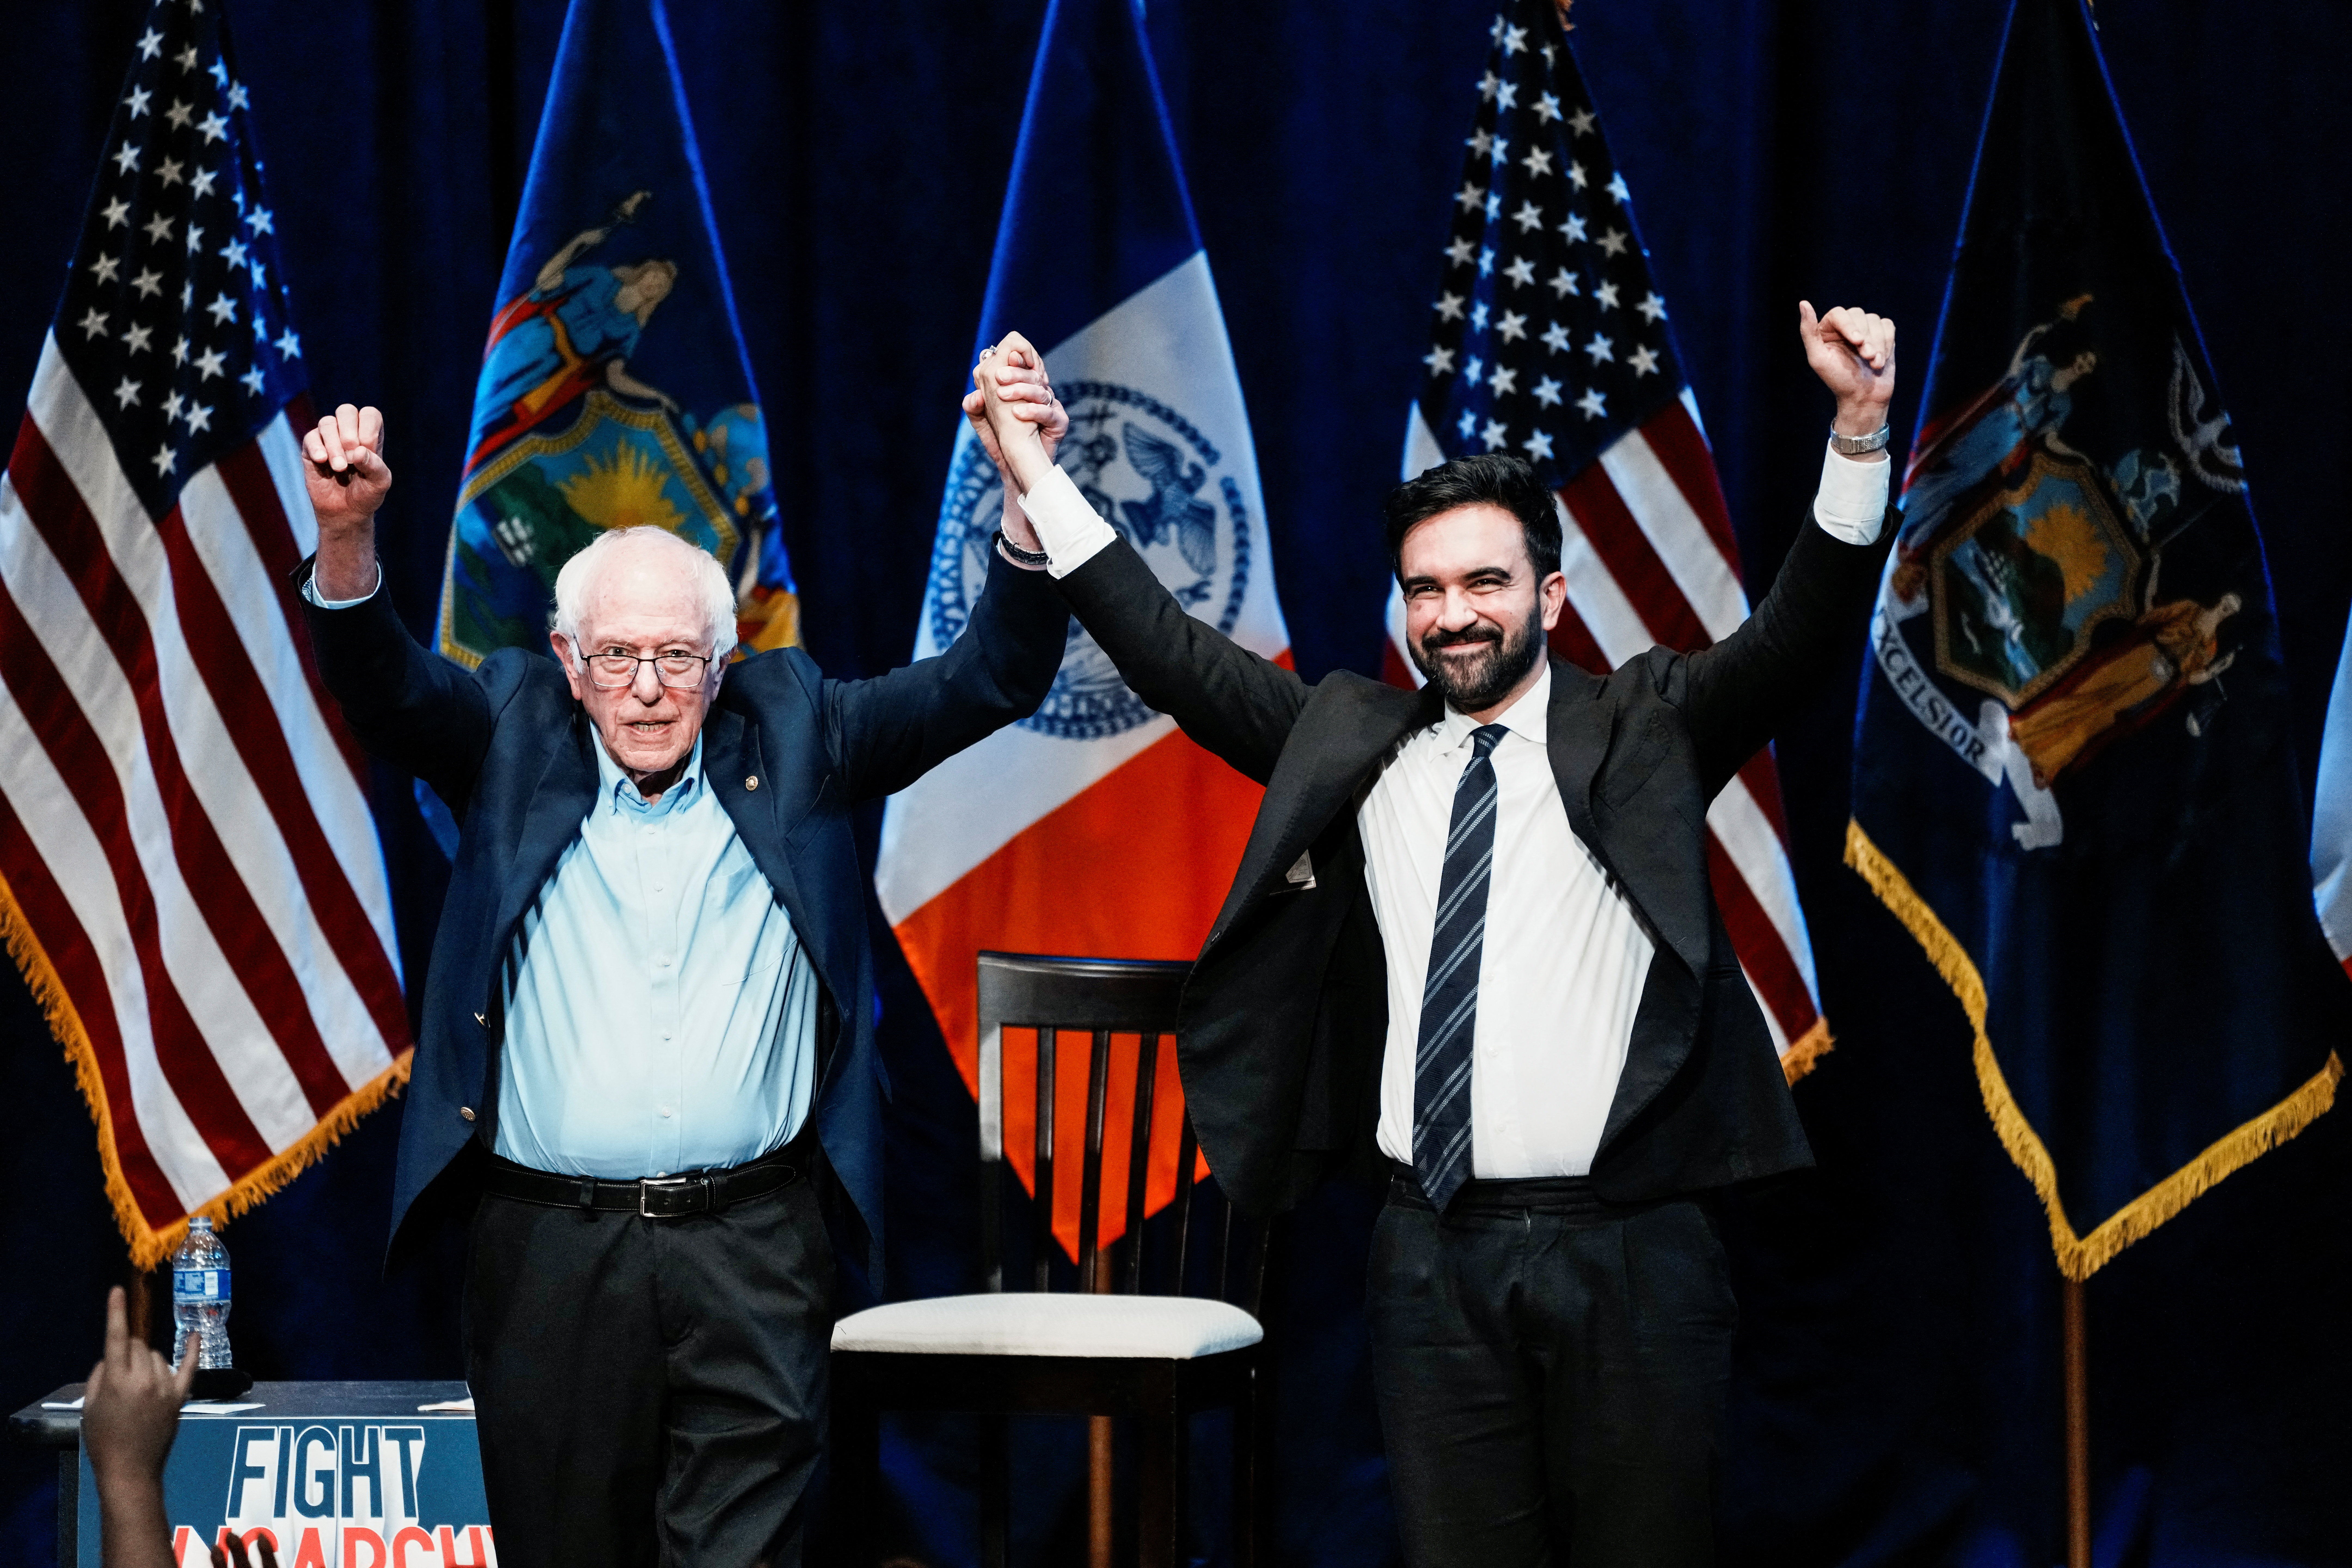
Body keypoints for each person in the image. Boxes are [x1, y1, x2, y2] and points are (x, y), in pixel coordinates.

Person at [964, 304, 1900, 1566]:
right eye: (1425, 591)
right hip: (1427, 1257)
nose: (1452, 616)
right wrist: (1036, 474)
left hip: (1631, 1254)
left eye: (1483, 585)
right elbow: (1172, 652)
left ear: (1551, 596)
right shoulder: (1357, 744)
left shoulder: (1650, 725)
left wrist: (1856, 430)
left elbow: (1798, 638)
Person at [297, 404, 1067, 1568]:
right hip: (551, 1256)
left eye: (675, 658)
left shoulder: (802, 727)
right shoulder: (510, 731)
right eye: (616, 657)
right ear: (569, 661)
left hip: (754, 1248)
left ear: (722, 663)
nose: (647, 690)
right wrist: (348, 534)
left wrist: (1023, 505)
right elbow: (385, 685)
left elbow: (991, 678)